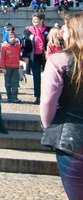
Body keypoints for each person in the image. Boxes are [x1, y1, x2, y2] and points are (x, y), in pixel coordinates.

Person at [41, 14, 83, 199]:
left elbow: (48, 104)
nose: (61, 31)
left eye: (66, 27)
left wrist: (49, 126)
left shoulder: (59, 60)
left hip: (71, 139)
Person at [22, 12, 49, 105]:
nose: (34, 22)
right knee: (36, 77)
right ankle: (37, 97)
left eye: (36, 20)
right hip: (34, 56)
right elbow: (25, 44)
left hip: (46, 56)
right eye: (33, 20)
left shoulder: (48, 30)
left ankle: (48, 96)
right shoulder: (28, 31)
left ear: (42, 20)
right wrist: (24, 56)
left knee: (49, 77)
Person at [0, 31, 23, 103]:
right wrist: (3, 68)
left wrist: (23, 59)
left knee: (15, 83)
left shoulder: (17, 46)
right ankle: (9, 96)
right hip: (7, 67)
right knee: (8, 83)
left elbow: (18, 56)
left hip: (15, 67)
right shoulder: (4, 47)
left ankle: (14, 97)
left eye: (14, 37)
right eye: (10, 37)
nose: (13, 39)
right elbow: (2, 58)